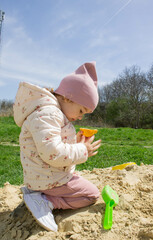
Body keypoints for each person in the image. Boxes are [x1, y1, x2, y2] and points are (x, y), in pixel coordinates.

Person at [13, 61, 101, 232]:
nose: (81, 117)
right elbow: (52, 152)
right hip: (49, 179)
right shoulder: (49, 113)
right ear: (68, 97)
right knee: (91, 194)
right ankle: (46, 202)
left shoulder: (48, 112)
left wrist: (74, 142)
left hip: (43, 175)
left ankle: (37, 196)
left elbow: (50, 143)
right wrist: (83, 150)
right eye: (81, 111)